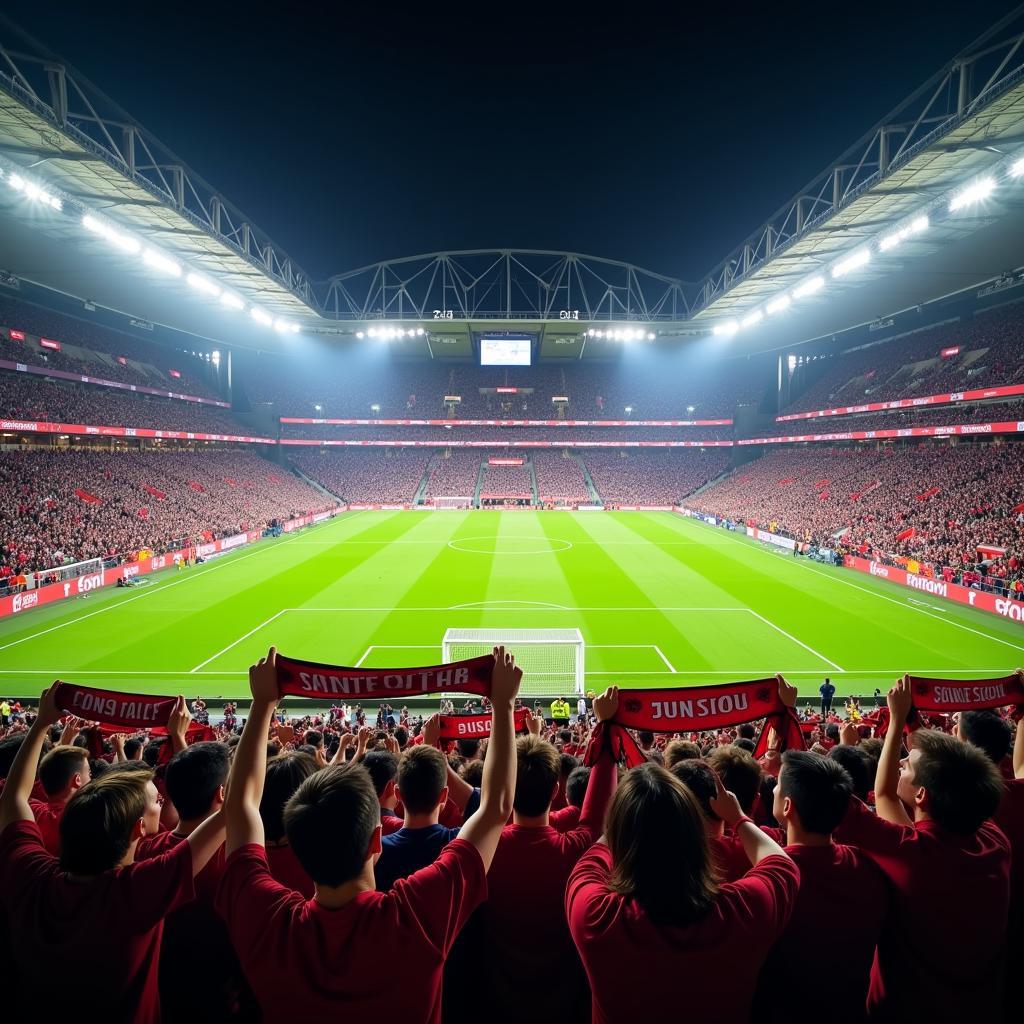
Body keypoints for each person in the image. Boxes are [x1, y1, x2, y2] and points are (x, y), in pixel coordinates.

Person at [218, 645, 522, 1021]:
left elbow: (240, 806)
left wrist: (261, 704)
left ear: (297, 846)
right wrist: (503, 705)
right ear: (376, 840)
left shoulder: (268, 923)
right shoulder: (414, 917)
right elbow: (496, 808)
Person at [0, 688, 226, 1024]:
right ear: (138, 829)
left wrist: (40, 725)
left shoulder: (33, 876)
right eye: (156, 801)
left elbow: (12, 797)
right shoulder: (136, 893)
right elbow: (234, 807)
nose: (161, 803)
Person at [566, 759, 798, 1021]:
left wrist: (627, 816)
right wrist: (737, 818)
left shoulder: (594, 916)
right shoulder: (743, 910)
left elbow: (593, 857)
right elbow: (781, 864)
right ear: (697, 832)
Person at [834, 676, 1009, 1021]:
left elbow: (877, 795)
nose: (901, 763)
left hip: (905, 1009)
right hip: (980, 1007)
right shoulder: (995, 841)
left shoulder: (911, 854)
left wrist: (896, 720)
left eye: (908, 765)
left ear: (921, 795)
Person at [481, 691, 619, 1022]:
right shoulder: (575, 849)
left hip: (497, 1001)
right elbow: (597, 812)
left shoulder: (481, 851)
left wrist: (506, 709)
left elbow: (488, 804)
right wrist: (606, 726)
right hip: (564, 1001)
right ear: (556, 791)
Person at [756, 751, 888, 1022]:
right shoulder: (869, 866)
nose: (774, 786)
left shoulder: (771, 880)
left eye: (777, 783)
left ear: (787, 806)